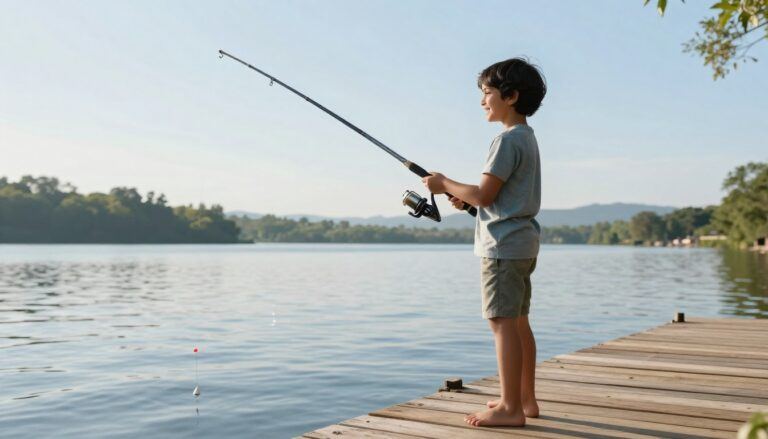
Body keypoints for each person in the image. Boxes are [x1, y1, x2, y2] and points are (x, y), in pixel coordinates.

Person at [422, 57, 546, 427]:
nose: (482, 101)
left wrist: (443, 184)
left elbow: (484, 193)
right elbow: (495, 198)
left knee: (501, 322)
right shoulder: (527, 138)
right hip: (522, 243)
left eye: (487, 93)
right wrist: (468, 201)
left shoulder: (505, 141)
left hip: (502, 248)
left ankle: (510, 409)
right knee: (519, 321)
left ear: (510, 96)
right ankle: (524, 401)